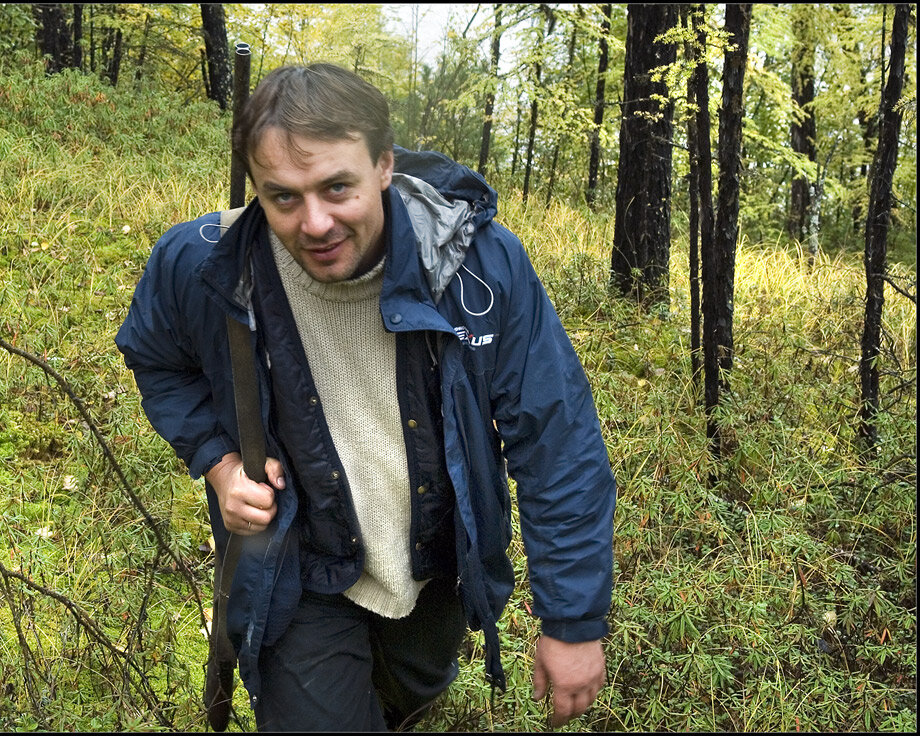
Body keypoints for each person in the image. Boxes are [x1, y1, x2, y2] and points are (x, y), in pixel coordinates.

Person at [116, 62, 616, 732]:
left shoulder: (478, 268)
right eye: (284, 197)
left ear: (384, 164)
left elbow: (558, 446)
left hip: (433, 566)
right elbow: (156, 357)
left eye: (337, 187)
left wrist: (574, 622)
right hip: (299, 562)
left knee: (410, 691)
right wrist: (218, 460)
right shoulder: (203, 265)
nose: (314, 222)